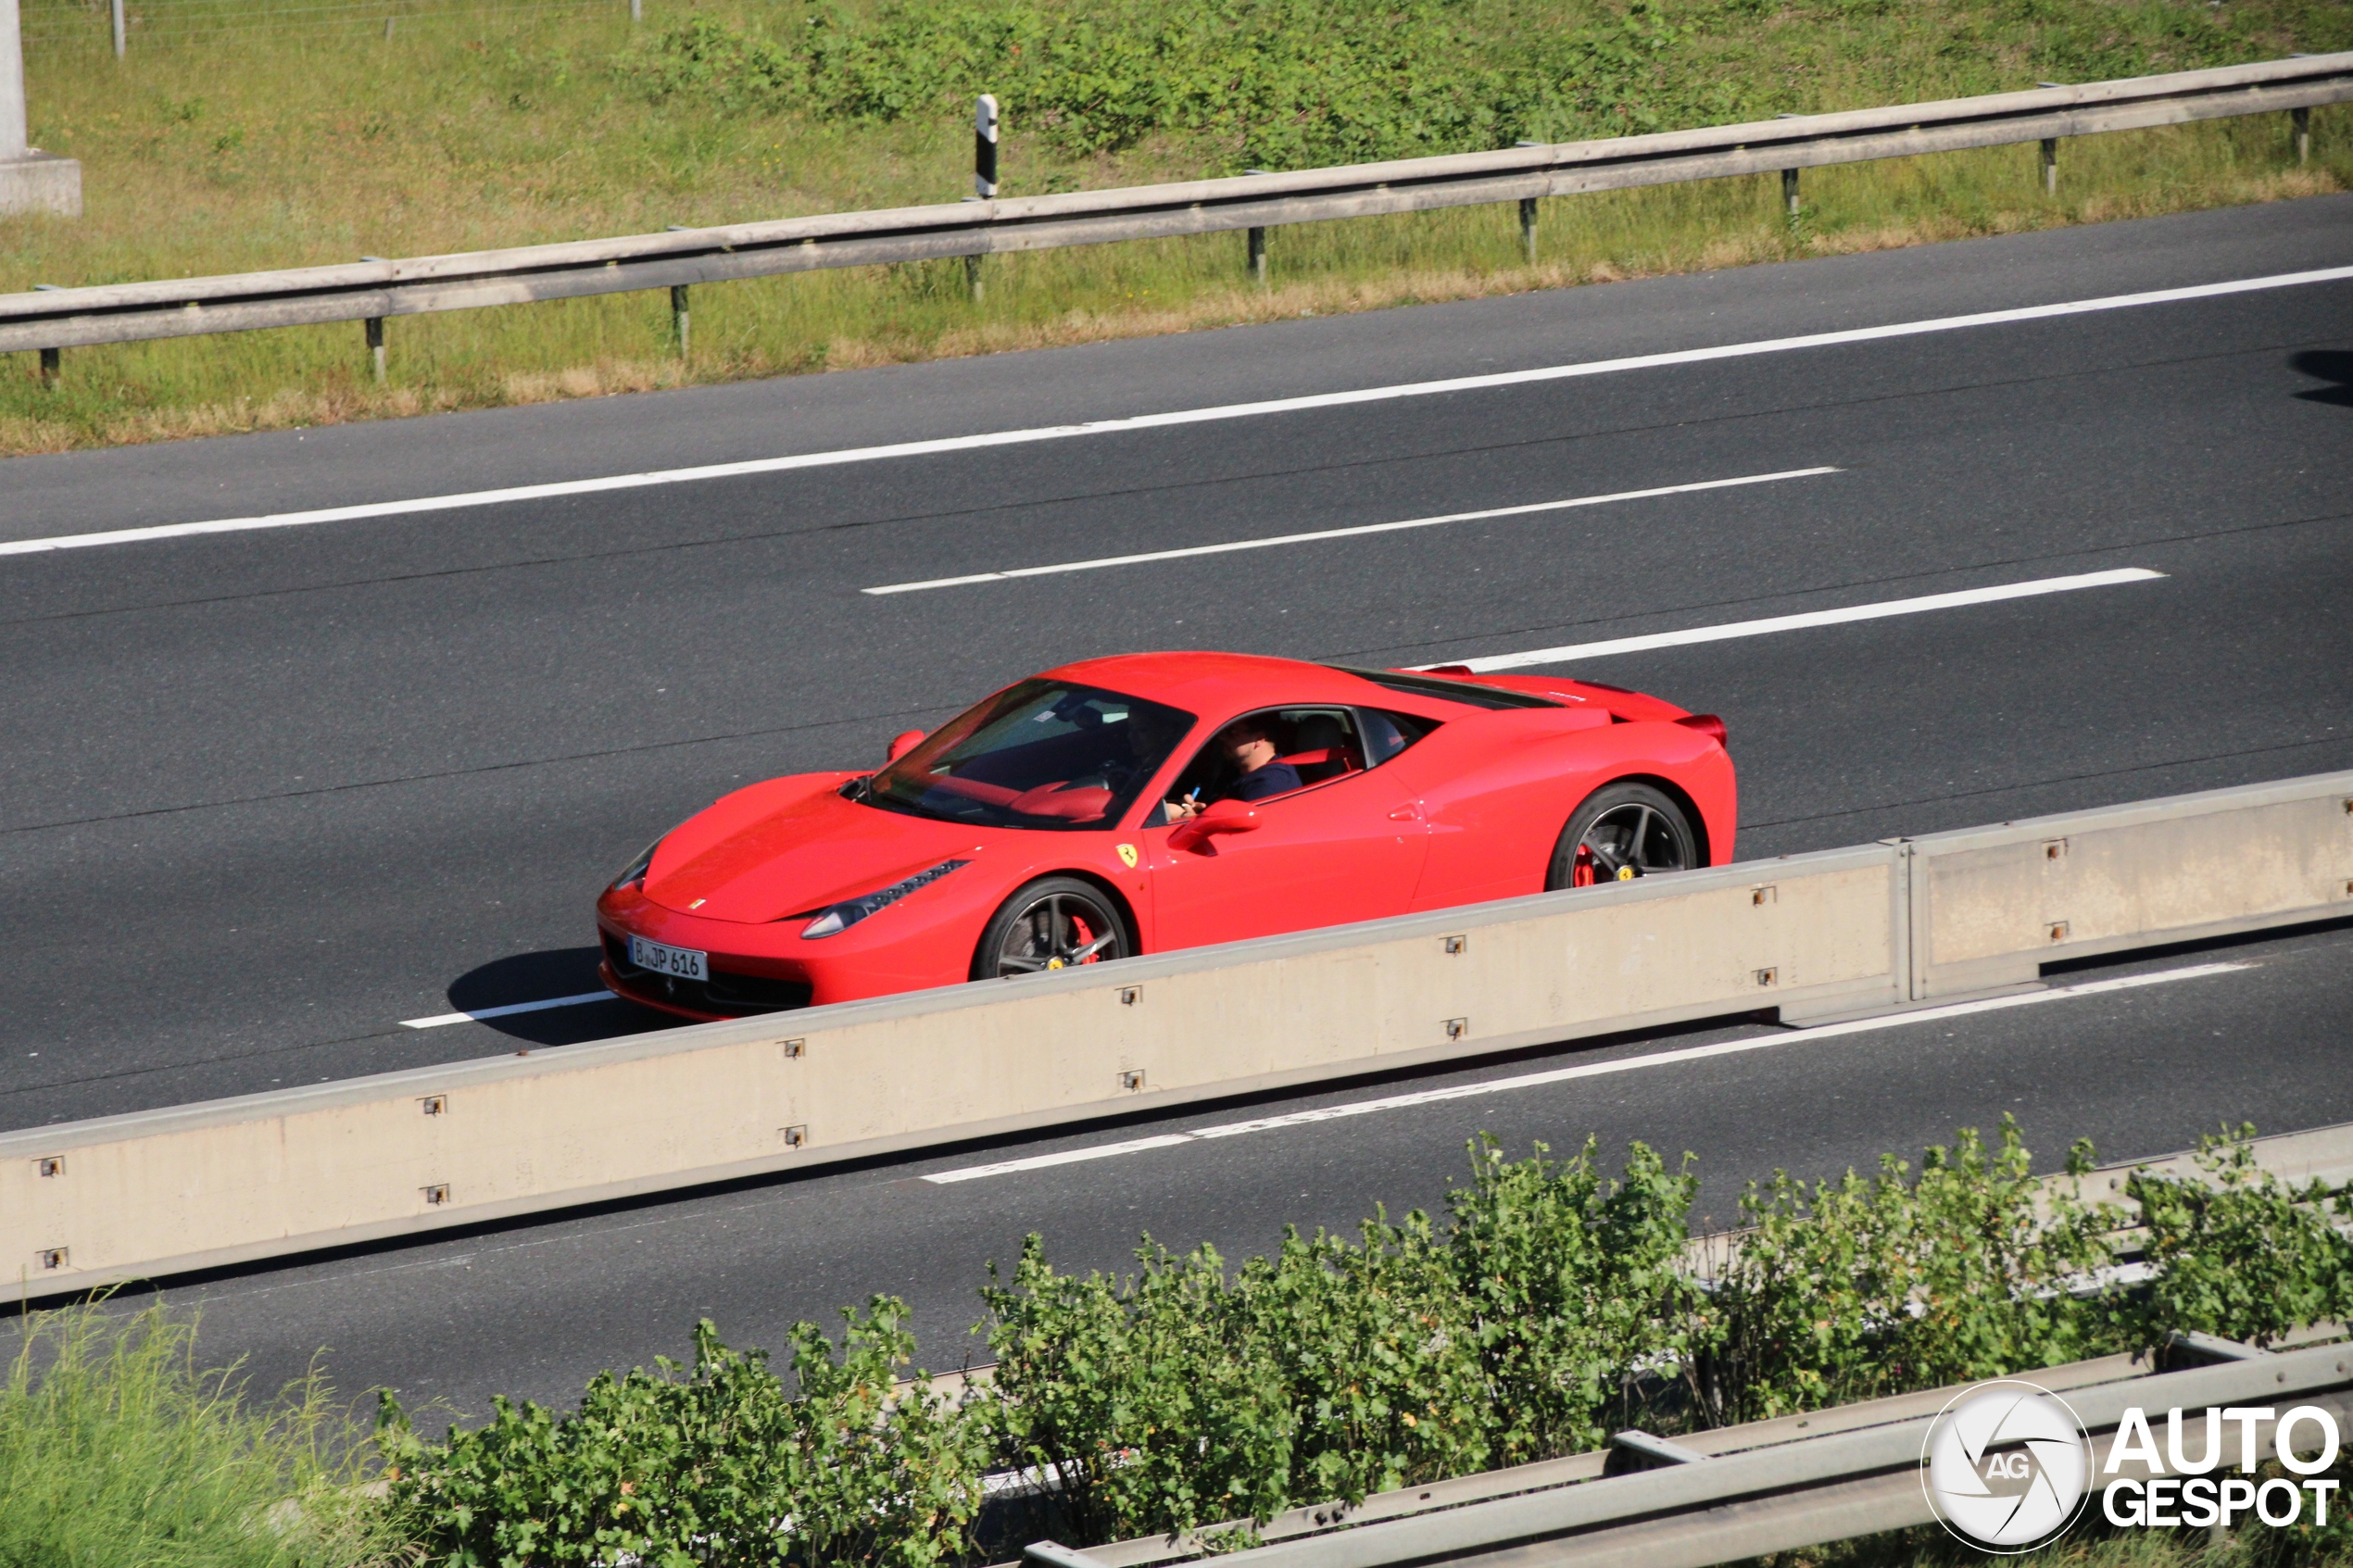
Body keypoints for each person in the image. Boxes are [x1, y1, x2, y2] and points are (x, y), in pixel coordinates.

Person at [1166, 716, 1302, 821]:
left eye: (1231, 732)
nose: (1222, 737)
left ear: (1259, 739)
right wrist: (1196, 811)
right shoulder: (1236, 771)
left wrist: (1184, 817)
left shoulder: (1272, 784)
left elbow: (1242, 838)